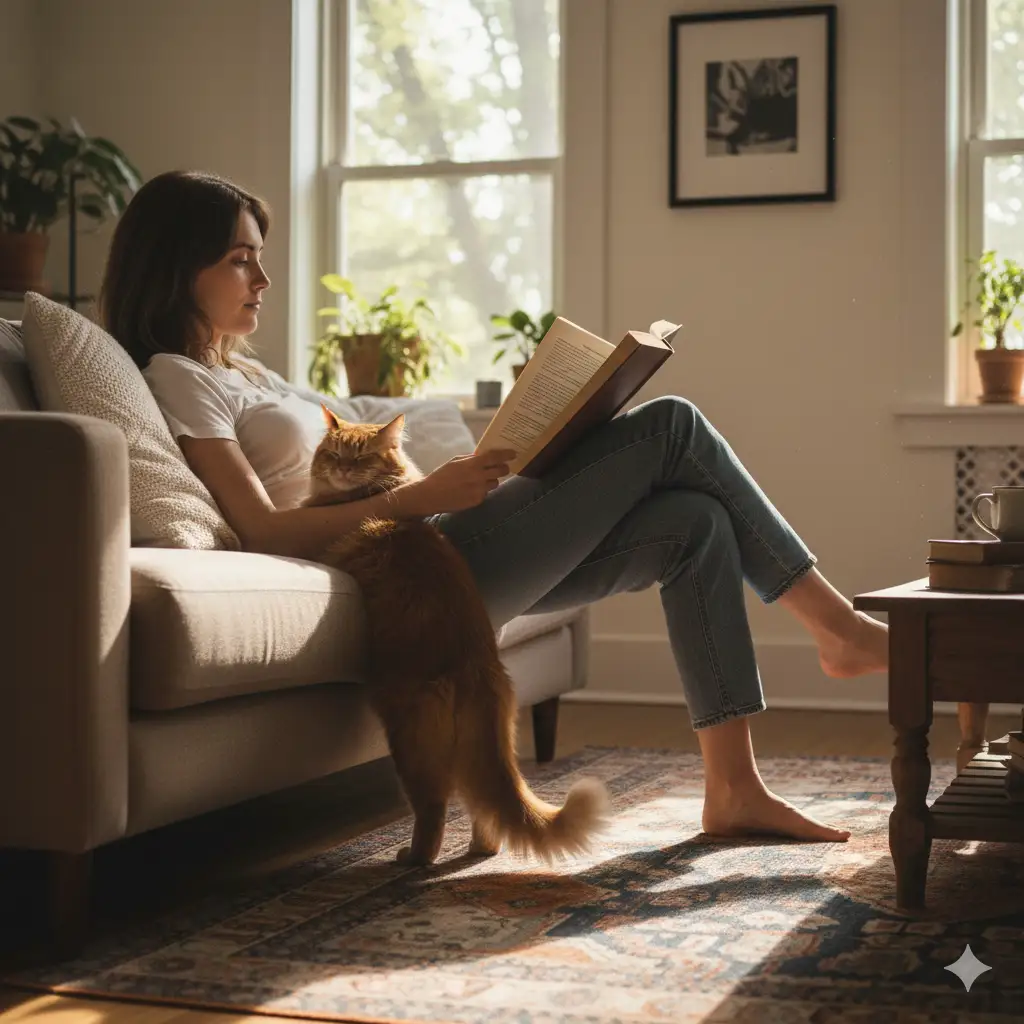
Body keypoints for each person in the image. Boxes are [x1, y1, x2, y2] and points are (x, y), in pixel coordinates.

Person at [101, 170, 889, 845]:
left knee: (695, 523)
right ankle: (839, 630)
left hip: (438, 541)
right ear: (178, 267)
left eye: (261, 260)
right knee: (673, 424)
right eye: (242, 262)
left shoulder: (257, 376)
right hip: (412, 568)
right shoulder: (177, 377)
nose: (263, 282)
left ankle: (733, 789)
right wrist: (422, 499)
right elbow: (260, 527)